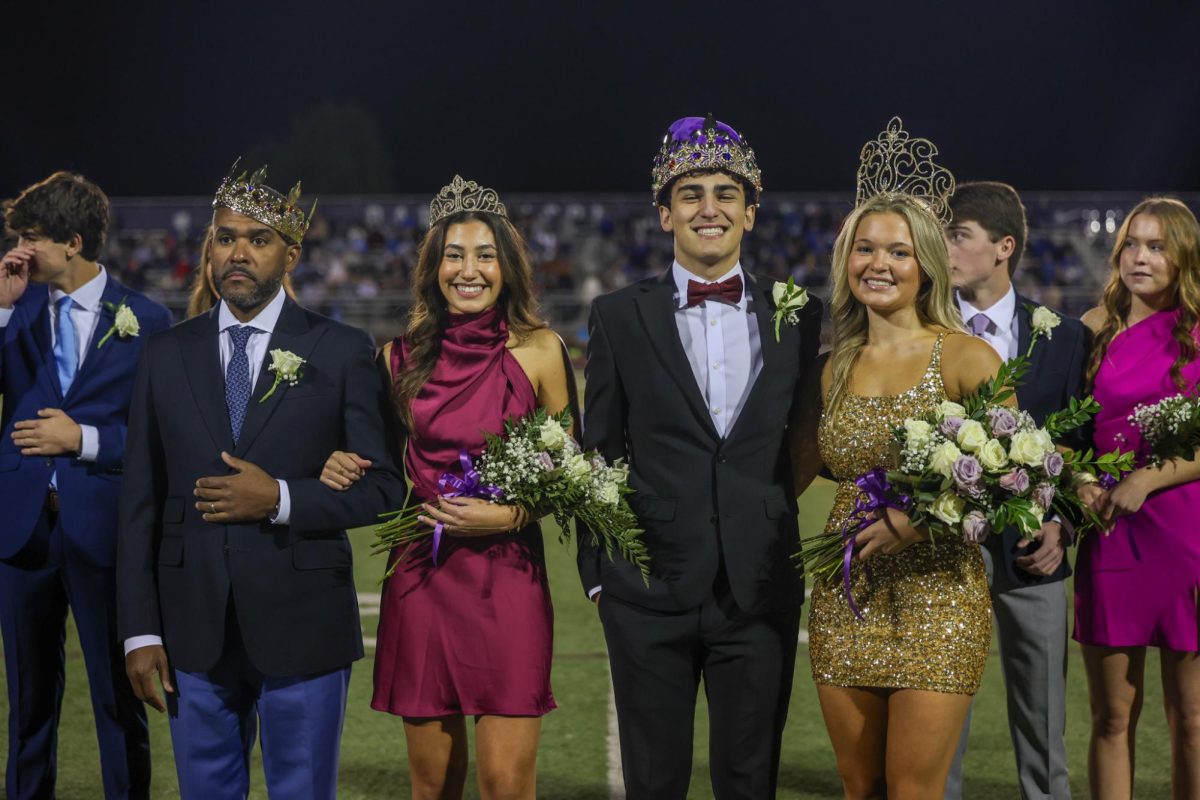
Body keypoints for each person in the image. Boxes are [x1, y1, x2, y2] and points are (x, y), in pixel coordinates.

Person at [116, 163, 406, 799]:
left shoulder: (341, 348)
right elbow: (140, 497)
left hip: (304, 626)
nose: (238, 253)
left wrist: (279, 498)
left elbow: (386, 486)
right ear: (209, 249)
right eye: (225, 238)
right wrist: (140, 630)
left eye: (258, 238)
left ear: (291, 253)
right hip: (192, 629)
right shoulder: (166, 353)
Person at [577, 115, 822, 799]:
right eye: (690, 194)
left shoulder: (800, 315)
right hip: (645, 590)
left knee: (750, 782)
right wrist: (600, 575)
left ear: (751, 209)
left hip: (760, 587)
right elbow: (600, 448)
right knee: (654, 782)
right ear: (664, 213)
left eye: (724, 193)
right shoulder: (617, 315)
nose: (708, 208)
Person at [319, 175, 569, 800]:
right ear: (433, 268)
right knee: (432, 790)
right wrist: (336, 464)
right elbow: (374, 462)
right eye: (454, 255)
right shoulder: (395, 359)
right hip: (424, 578)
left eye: (485, 255)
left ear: (507, 267)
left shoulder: (541, 350)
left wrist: (509, 516)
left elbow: (574, 471)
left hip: (509, 575)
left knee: (507, 786)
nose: (469, 270)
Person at [793, 118, 1002, 799]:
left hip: (940, 593)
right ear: (845, 261)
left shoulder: (967, 357)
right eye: (865, 249)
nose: (878, 264)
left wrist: (922, 519)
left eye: (899, 252)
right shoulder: (830, 369)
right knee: (860, 787)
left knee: (913, 789)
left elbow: (1013, 480)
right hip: (846, 593)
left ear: (926, 266)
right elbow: (789, 472)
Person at [0, 172, 172, 800]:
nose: (18, 250)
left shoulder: (149, 320)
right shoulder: (11, 308)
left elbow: (162, 440)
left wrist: (84, 440)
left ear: (73, 242)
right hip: (22, 534)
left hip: (106, 533)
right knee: (27, 705)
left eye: (31, 238)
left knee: (118, 700)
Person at [944, 181, 1089, 800]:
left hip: (1037, 552)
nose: (943, 247)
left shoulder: (1062, 337)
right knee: (940, 718)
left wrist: (1066, 524)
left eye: (958, 235)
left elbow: (1081, 448)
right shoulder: (923, 327)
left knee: (1043, 722)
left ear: (1004, 246)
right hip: (943, 553)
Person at [1075, 196, 1200, 800]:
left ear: (1183, 258)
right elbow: (1063, 430)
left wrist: (1147, 479)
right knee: (1112, 717)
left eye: (1156, 246)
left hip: (1185, 536)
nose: (1140, 257)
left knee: (1192, 722)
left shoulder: (1197, 330)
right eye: (1131, 244)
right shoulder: (1093, 329)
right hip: (1110, 533)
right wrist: (1081, 482)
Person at [187, 224, 295, 318]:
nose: (237, 257)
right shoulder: (180, 337)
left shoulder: (308, 335)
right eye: (225, 240)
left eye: (258, 242)